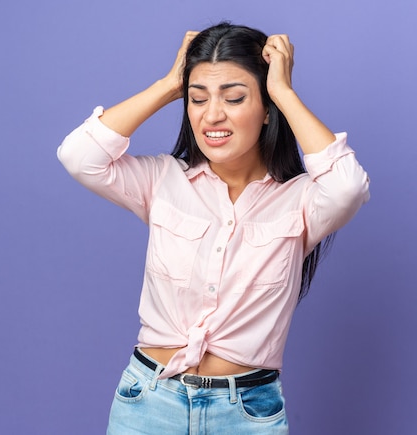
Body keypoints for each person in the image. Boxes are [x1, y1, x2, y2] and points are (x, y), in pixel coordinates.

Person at [58, 22, 369, 435]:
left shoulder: (301, 200)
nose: (212, 115)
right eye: (197, 99)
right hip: (149, 404)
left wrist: (284, 93)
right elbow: (79, 155)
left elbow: (347, 186)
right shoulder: (162, 181)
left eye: (235, 97)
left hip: (246, 414)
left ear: (266, 111)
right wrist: (171, 84)